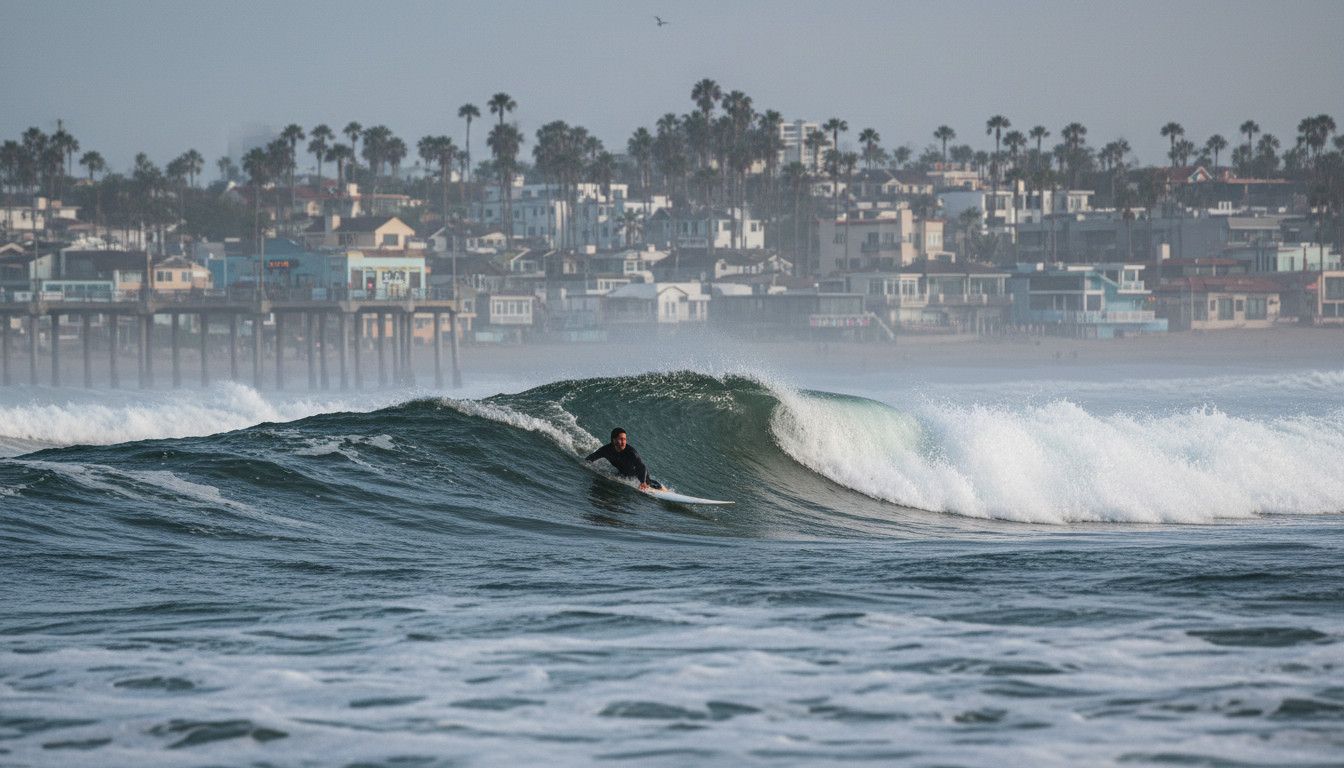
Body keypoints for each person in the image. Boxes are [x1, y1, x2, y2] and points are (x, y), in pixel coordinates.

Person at [585, 427, 662, 491]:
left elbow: (642, 467)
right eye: (621, 439)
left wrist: (643, 482)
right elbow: (591, 458)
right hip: (623, 474)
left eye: (625, 439)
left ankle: (661, 488)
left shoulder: (631, 452)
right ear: (613, 440)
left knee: (650, 482)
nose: (623, 442)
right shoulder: (606, 450)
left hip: (639, 476)